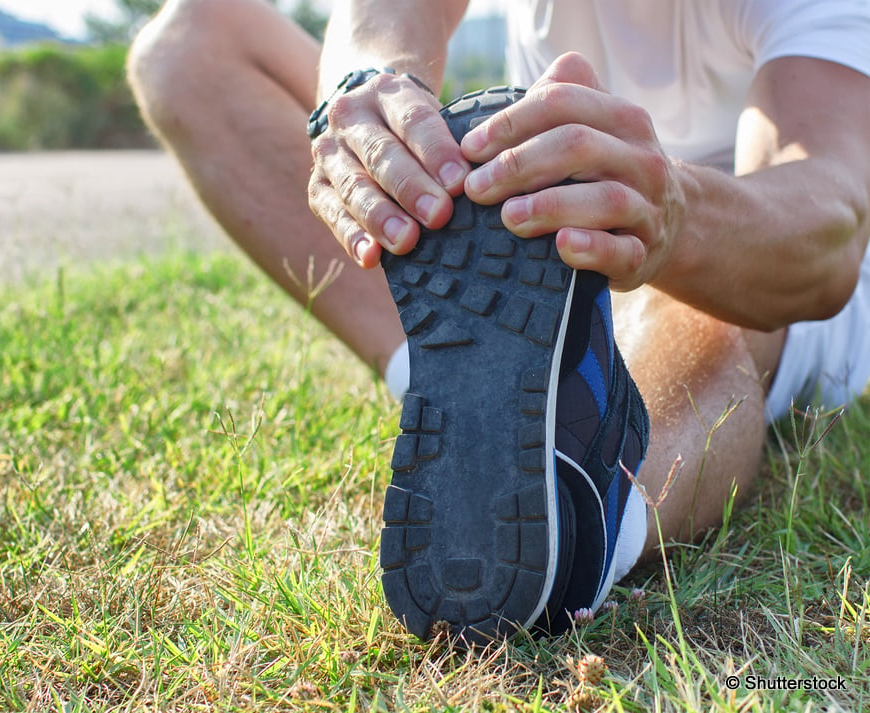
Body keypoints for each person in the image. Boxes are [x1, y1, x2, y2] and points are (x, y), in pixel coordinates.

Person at [127, 0, 870, 642]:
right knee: (190, 46)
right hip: (541, 209)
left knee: (682, 294)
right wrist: (366, 94)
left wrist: (673, 216)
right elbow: (385, 17)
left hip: (742, 240)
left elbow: (827, 217)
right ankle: (480, 391)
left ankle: (584, 510)